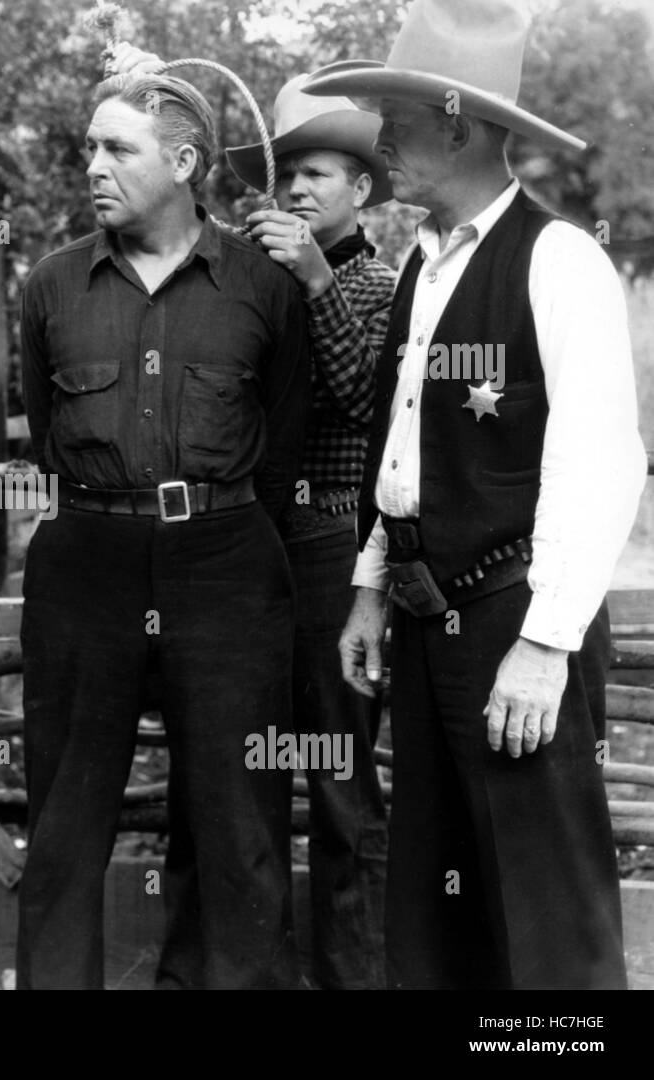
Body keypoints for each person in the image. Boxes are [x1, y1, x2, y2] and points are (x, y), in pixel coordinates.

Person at [313, 0, 646, 989]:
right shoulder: (422, 261)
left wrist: (543, 651)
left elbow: (600, 461)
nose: (377, 140)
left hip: (514, 619)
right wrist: (374, 582)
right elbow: (404, 447)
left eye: (396, 119)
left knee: (544, 916)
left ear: (456, 124)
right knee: (438, 907)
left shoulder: (558, 258)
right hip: (426, 620)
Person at [17, 71, 312, 989]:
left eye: (118, 149)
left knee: (237, 819)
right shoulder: (52, 285)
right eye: (89, 148)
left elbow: (285, 437)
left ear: (184, 163)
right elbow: (41, 433)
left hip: (226, 561)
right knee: (65, 818)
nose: (93, 167)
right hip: (86, 565)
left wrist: (209, 519)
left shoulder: (264, 285)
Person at [229, 72, 396, 990]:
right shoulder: (255, 280)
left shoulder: (378, 284)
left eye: (321, 174)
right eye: (290, 172)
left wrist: (316, 276)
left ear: (361, 190)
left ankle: (355, 979)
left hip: (334, 547)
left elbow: (364, 398)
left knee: (338, 777)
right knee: (245, 767)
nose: (298, 189)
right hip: (252, 545)